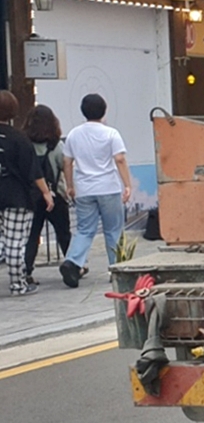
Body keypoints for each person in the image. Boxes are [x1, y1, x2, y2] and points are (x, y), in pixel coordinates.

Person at [60, 93, 131, 288]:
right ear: (104, 110)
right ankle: (117, 268)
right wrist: (127, 184)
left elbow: (67, 162)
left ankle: (72, 262)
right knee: (114, 230)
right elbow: (120, 159)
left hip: (84, 189)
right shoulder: (111, 134)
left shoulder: (74, 134)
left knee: (84, 229)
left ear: (83, 111)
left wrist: (70, 185)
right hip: (108, 187)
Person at [0, 91, 54, 297]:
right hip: (17, 197)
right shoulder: (19, 139)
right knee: (15, 242)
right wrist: (46, 193)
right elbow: (33, 171)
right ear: (13, 111)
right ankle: (18, 285)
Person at [22, 104, 72, 285]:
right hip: (55, 195)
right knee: (63, 233)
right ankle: (73, 265)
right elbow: (63, 167)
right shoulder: (56, 146)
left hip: (32, 197)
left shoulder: (25, 145)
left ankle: (26, 270)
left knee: (32, 235)